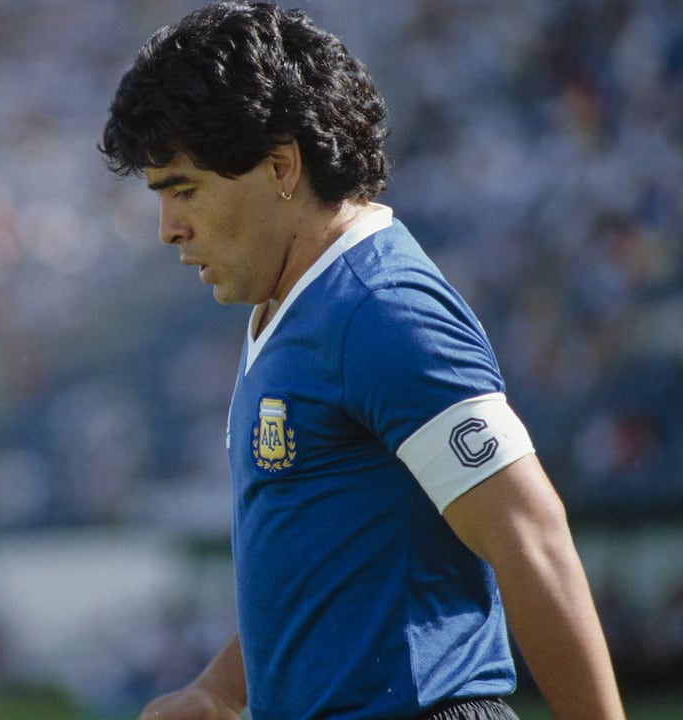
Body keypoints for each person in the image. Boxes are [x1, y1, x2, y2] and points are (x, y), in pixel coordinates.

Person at [98, 3, 625, 719]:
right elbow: (332, 573)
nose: (168, 229)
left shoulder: (381, 308)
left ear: (282, 165)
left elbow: (530, 532)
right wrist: (218, 692)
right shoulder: (295, 307)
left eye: (184, 190)